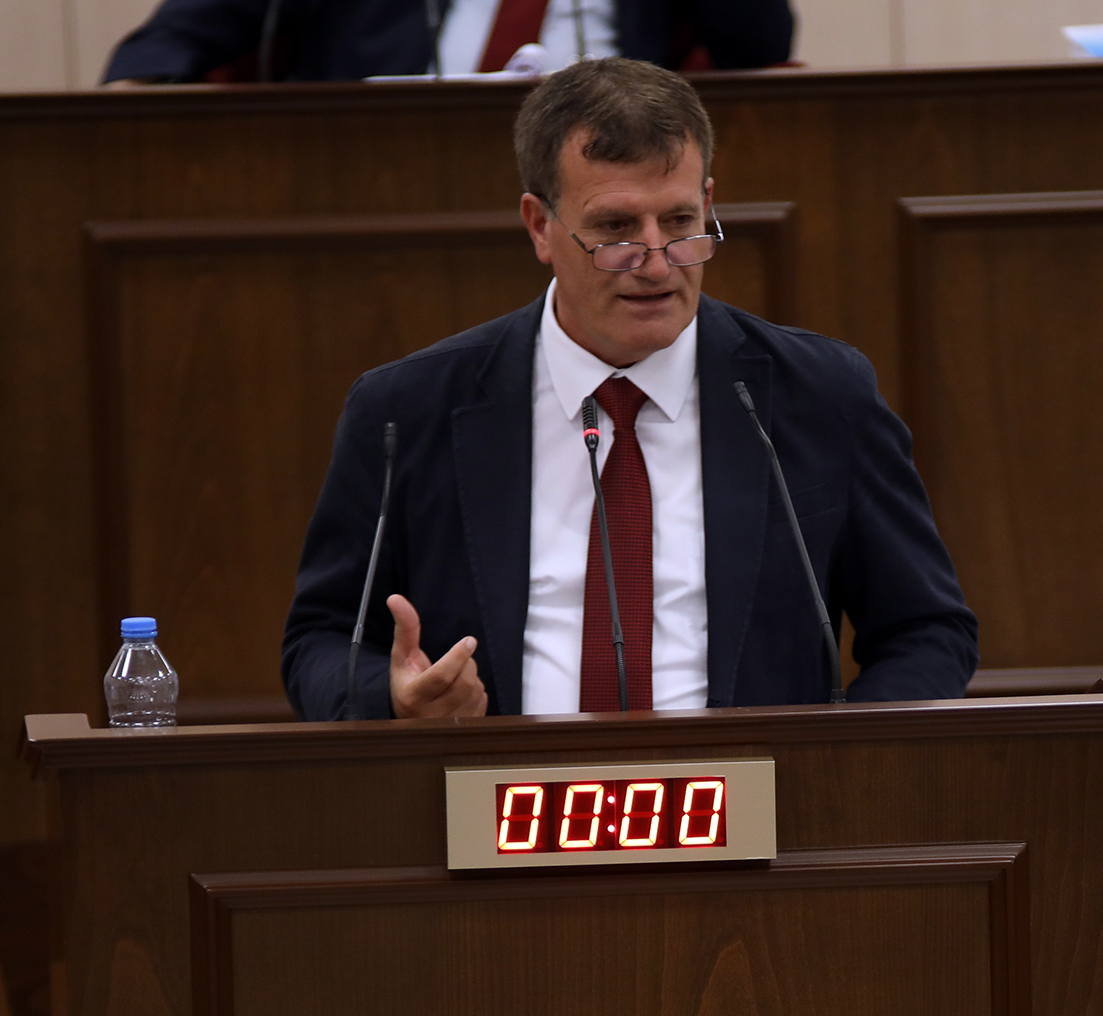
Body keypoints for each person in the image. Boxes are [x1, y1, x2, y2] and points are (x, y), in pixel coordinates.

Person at [282, 57, 978, 721]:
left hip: (757, 791)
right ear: (540, 227)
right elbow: (320, 639)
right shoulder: (407, 410)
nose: (656, 264)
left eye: (679, 223)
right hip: (494, 792)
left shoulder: (821, 395)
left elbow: (925, 630)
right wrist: (394, 698)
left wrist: (836, 764)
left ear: (707, 203)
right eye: (615, 229)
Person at [102, 0, 794, 84]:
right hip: (379, 173)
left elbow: (758, 41)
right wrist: (141, 87)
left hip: (609, 183)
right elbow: (176, 38)